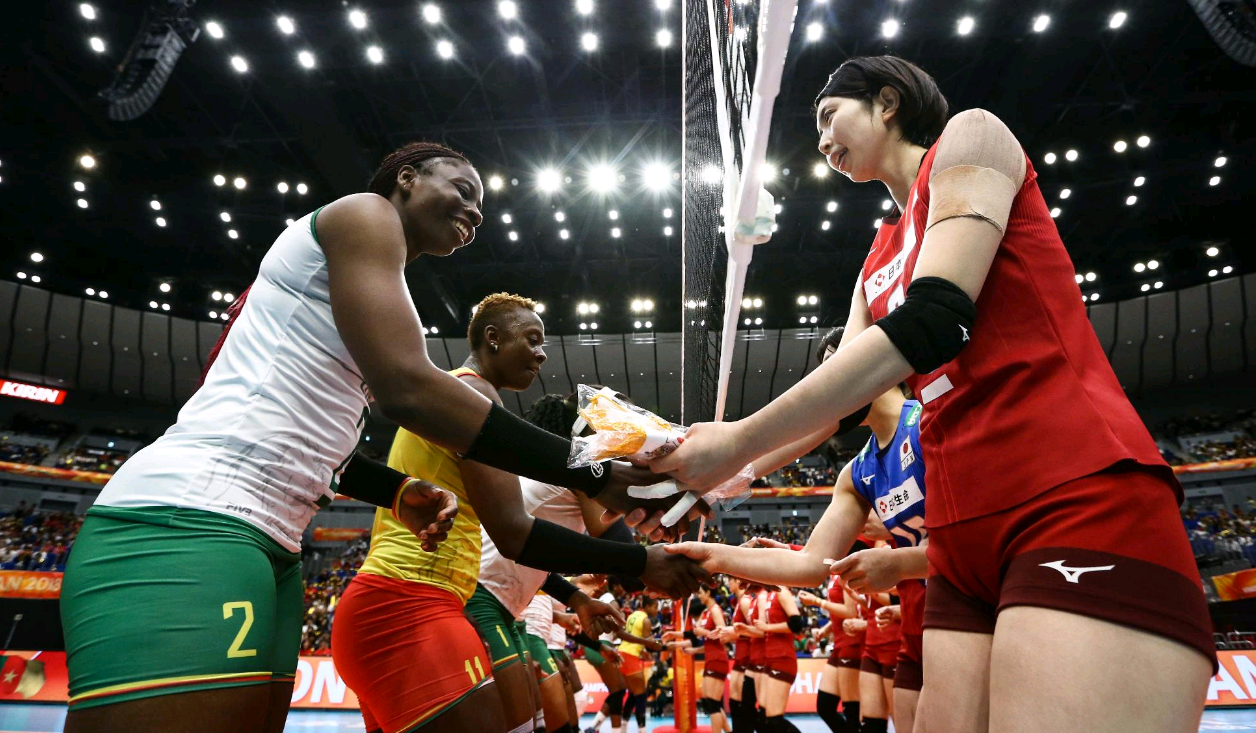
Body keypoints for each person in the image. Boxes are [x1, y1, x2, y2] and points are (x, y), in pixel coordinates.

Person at [655, 56, 1214, 733]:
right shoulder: (875, 257)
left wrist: (739, 438)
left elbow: (936, 316)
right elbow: (843, 405)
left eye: (831, 116)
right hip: (960, 538)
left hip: (1065, 490)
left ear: (887, 101)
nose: (823, 140)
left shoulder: (972, 138)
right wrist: (711, 479)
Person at [332, 292, 708, 733]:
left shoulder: (467, 396)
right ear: (492, 338)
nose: (542, 353)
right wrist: (641, 560)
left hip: (409, 600)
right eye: (531, 339)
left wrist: (581, 592)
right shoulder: (471, 395)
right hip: (409, 604)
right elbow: (516, 535)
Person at [466, 390, 704, 733]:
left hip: (502, 605)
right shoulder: (579, 462)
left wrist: (576, 598)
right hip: (483, 599)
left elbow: (531, 554)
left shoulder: (544, 469)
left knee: (544, 724)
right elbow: (624, 558)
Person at [663, 583, 730, 733]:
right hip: (711, 659)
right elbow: (694, 634)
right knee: (710, 702)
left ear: (708, 593)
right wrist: (676, 636)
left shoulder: (715, 610)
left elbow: (723, 635)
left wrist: (705, 633)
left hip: (718, 660)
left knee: (713, 703)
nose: (699, 596)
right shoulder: (707, 612)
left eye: (701, 593)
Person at [798, 576, 858, 733]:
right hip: (839, 644)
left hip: (852, 643)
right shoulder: (835, 574)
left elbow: (851, 611)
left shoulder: (846, 571)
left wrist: (817, 602)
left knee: (852, 710)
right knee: (825, 706)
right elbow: (843, 607)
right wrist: (827, 629)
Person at [618, 596, 664, 732]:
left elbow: (635, 638)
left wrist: (644, 650)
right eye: (655, 607)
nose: (657, 610)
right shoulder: (646, 620)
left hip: (621, 653)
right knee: (641, 696)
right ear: (648, 606)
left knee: (632, 694)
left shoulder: (633, 615)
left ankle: (623, 728)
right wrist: (658, 645)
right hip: (631, 656)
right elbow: (648, 644)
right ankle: (642, 730)